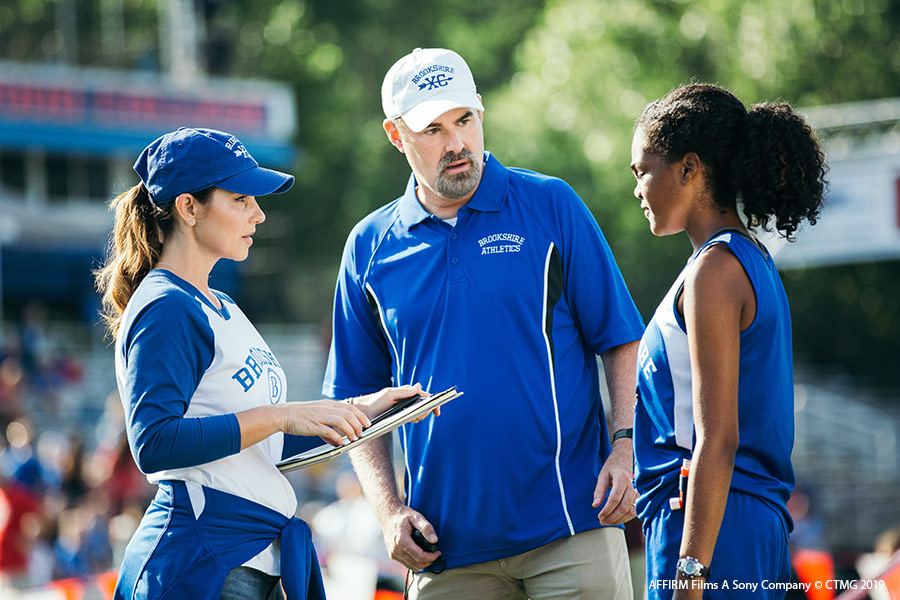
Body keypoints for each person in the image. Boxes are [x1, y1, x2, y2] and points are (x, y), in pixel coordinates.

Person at [323, 47, 645, 599]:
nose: (456, 144)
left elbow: (619, 338)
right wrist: (387, 509)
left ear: (480, 112)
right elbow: (354, 401)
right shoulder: (368, 249)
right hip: (444, 555)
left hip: (571, 527)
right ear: (396, 136)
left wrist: (624, 445)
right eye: (432, 129)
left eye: (464, 120)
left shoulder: (551, 205)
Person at [94, 127, 425, 600]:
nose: (259, 213)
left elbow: (257, 445)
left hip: (245, 559)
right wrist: (280, 415)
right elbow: (154, 442)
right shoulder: (167, 305)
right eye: (241, 199)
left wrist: (358, 412)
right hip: (200, 560)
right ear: (189, 208)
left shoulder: (220, 304)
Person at [629, 83, 827, 599]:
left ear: (689, 168)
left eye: (641, 171)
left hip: (710, 531)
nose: (637, 190)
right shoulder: (749, 259)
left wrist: (689, 574)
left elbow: (718, 437)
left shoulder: (714, 271)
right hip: (740, 525)